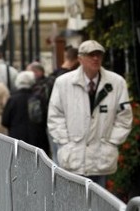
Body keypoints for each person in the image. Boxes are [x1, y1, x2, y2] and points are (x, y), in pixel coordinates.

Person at [47, 39, 133, 186]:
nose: (95, 58)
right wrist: (65, 143)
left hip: (102, 157)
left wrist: (111, 142)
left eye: (99, 55)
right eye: (91, 55)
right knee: (73, 203)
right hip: (73, 157)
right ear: (80, 58)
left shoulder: (117, 82)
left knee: (99, 202)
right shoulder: (63, 83)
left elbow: (124, 117)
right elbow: (55, 116)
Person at [1, 71, 51, 156]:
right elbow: (45, 118)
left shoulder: (13, 99)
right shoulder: (38, 98)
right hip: (37, 138)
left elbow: (5, 120)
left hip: (17, 137)